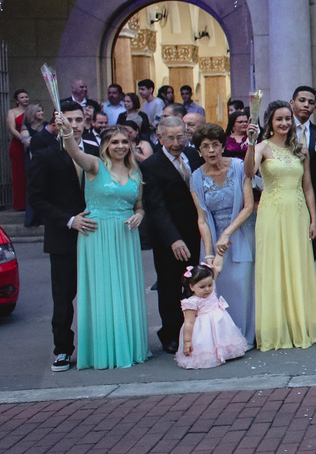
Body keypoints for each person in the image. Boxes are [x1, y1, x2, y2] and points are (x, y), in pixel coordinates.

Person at [56, 114, 150, 370]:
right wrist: (67, 130)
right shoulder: (95, 166)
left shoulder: (135, 171)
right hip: (97, 235)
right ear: (105, 145)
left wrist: (139, 215)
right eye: (115, 142)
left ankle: (128, 345)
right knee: (103, 291)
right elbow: (74, 152)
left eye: (125, 142)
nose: (121, 146)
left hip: (126, 236)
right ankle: (104, 349)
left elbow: (139, 204)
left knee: (125, 289)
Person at [245, 101, 316, 350]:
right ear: (270, 121)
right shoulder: (262, 147)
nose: (284, 123)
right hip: (272, 212)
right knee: (275, 265)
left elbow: (308, 187)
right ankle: (276, 328)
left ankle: (300, 323)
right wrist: (250, 144)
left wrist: (314, 220)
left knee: (298, 264)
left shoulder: (300, 150)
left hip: (298, 213)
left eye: (287, 119)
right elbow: (249, 172)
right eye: (279, 119)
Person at [26, 102, 88, 371]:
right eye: (68, 120)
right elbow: (36, 199)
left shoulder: (98, 151)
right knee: (63, 298)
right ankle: (62, 349)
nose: (74, 125)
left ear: (85, 121)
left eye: (79, 119)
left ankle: (99, 344)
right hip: (63, 238)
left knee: (99, 294)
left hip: (97, 236)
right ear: (58, 123)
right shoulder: (46, 155)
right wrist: (69, 220)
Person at [141, 116, 202, 353]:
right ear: (159, 138)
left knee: (195, 282)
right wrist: (173, 239)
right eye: (171, 138)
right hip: (169, 236)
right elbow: (156, 207)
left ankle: (196, 329)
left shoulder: (194, 156)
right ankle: (171, 333)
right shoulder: (151, 165)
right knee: (169, 284)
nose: (177, 143)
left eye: (180, 137)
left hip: (197, 230)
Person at [190, 123, 256, 342]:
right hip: (212, 236)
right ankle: (223, 340)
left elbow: (248, 207)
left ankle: (244, 336)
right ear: (199, 151)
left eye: (215, 145)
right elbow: (202, 218)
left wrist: (227, 234)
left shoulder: (238, 167)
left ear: (222, 146)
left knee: (242, 285)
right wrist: (209, 254)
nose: (211, 151)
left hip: (240, 232)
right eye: (205, 146)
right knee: (216, 286)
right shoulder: (196, 177)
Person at [176, 263, 249, 369]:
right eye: (202, 287)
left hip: (219, 323)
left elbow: (217, 269)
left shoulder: (210, 291)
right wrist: (187, 341)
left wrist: (219, 255)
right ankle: (208, 356)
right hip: (204, 329)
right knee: (207, 344)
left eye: (210, 285)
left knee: (223, 337)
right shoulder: (191, 302)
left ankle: (225, 352)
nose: (207, 289)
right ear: (191, 287)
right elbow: (189, 322)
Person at [290, 86, 316, 258]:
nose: (306, 105)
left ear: (315, 108)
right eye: (302, 100)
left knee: (309, 254)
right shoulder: (281, 130)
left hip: (312, 200)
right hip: (285, 198)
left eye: (311, 102)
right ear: (292, 103)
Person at [6, 89, 29, 211]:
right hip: (18, 146)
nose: (25, 99)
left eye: (26, 97)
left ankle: (30, 203)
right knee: (19, 174)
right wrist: (24, 140)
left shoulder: (32, 110)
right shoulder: (12, 112)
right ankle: (20, 204)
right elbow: (12, 129)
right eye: (22, 97)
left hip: (31, 145)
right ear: (17, 100)